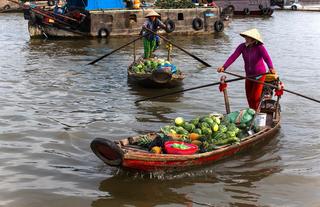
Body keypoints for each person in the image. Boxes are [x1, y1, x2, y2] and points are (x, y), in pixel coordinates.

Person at [217, 28, 278, 111]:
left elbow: (267, 58)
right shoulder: (242, 46)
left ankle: (256, 113)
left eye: (248, 37)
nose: (245, 38)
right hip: (249, 75)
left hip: (259, 75)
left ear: (253, 39)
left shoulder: (260, 47)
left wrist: (271, 68)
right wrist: (224, 67)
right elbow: (233, 56)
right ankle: (251, 112)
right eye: (245, 37)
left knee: (255, 97)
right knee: (249, 96)